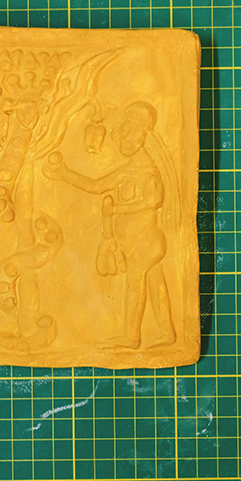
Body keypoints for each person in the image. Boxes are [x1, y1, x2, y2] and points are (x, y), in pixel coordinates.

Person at [42, 101, 176, 348]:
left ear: (140, 137)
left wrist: (118, 210)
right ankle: (167, 333)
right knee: (155, 281)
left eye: (127, 134)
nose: (121, 140)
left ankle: (131, 337)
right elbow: (95, 185)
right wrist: (64, 174)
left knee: (136, 281)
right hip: (135, 244)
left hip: (147, 242)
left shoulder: (147, 171)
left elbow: (153, 200)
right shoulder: (127, 170)